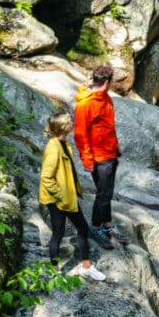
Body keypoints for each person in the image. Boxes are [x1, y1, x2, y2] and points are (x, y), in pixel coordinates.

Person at [39, 112, 106, 281]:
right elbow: (46, 178)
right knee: (59, 232)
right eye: (69, 121)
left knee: (81, 228)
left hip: (67, 196)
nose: (72, 123)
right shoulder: (53, 147)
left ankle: (86, 266)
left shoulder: (64, 143)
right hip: (58, 199)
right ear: (63, 127)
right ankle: (55, 271)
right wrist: (61, 195)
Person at [73, 64, 129, 250]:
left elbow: (108, 126)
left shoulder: (106, 99)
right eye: (111, 82)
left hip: (110, 152)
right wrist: (87, 160)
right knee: (103, 194)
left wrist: (116, 145)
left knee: (108, 193)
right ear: (106, 82)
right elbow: (80, 134)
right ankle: (96, 228)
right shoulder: (85, 104)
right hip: (98, 157)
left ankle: (107, 226)